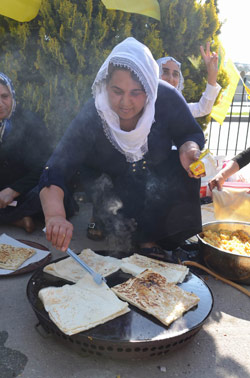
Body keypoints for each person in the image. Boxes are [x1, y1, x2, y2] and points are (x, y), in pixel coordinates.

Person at [39, 37, 205, 254]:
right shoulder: (93, 113)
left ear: (149, 87)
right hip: (110, 185)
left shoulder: (166, 97)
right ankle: (110, 223)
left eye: (135, 92)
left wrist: (188, 148)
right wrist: (55, 216)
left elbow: (189, 132)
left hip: (154, 176)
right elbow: (57, 166)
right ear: (105, 86)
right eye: (117, 91)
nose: (125, 103)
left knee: (178, 167)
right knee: (115, 208)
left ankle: (153, 241)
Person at [0, 72, 53, 232]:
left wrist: (13, 190)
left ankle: (12, 217)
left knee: (44, 194)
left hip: (26, 190)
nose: (0, 104)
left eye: (4, 96)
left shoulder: (30, 122)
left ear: (12, 96)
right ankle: (19, 219)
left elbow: (46, 166)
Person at [157, 42, 221, 118]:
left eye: (175, 74)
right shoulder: (143, 105)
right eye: (165, 72)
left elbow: (202, 109)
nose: (171, 78)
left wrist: (212, 74)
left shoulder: (178, 108)